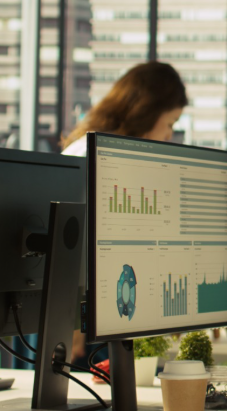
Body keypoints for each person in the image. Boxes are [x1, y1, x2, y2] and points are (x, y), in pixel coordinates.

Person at [60, 61, 188, 364]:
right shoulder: (91, 155)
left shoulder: (126, 158)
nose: (169, 135)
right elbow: (73, 246)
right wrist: (75, 322)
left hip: (111, 312)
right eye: (169, 123)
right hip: (80, 323)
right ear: (148, 111)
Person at [61, 61, 187, 156]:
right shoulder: (95, 154)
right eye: (170, 124)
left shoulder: (98, 148)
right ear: (148, 114)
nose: (169, 136)